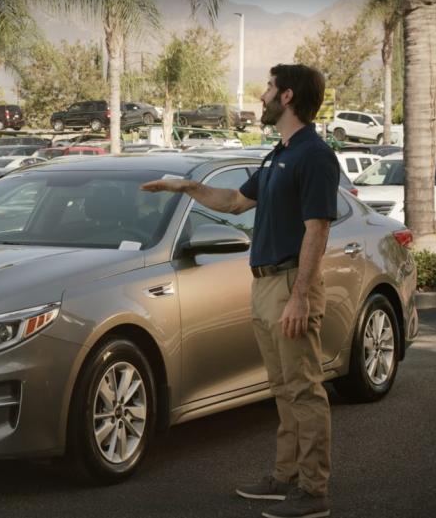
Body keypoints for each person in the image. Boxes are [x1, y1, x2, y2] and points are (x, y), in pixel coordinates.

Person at [141, 64, 339, 518]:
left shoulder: (314, 155)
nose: (262, 95)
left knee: (305, 389)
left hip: (291, 283)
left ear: (287, 97)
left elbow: (317, 230)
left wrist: (300, 295)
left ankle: (314, 490)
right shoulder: (279, 153)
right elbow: (234, 202)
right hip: (264, 284)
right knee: (283, 387)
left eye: (269, 88)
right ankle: (286, 476)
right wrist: (186, 186)